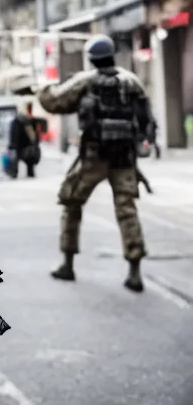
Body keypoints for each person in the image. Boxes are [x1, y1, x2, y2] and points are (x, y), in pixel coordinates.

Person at [37, 34, 155, 292]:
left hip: (93, 157)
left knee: (71, 202)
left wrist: (44, 86)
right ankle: (135, 272)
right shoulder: (132, 82)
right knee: (127, 210)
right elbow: (146, 118)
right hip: (124, 158)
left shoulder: (86, 81)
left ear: (91, 59)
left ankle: (67, 264)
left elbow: (53, 102)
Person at [7, 102, 41, 178]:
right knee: (26, 161)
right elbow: (33, 136)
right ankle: (23, 174)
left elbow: (34, 135)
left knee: (23, 160)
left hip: (21, 145)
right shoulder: (26, 122)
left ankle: (17, 174)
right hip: (22, 145)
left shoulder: (20, 121)